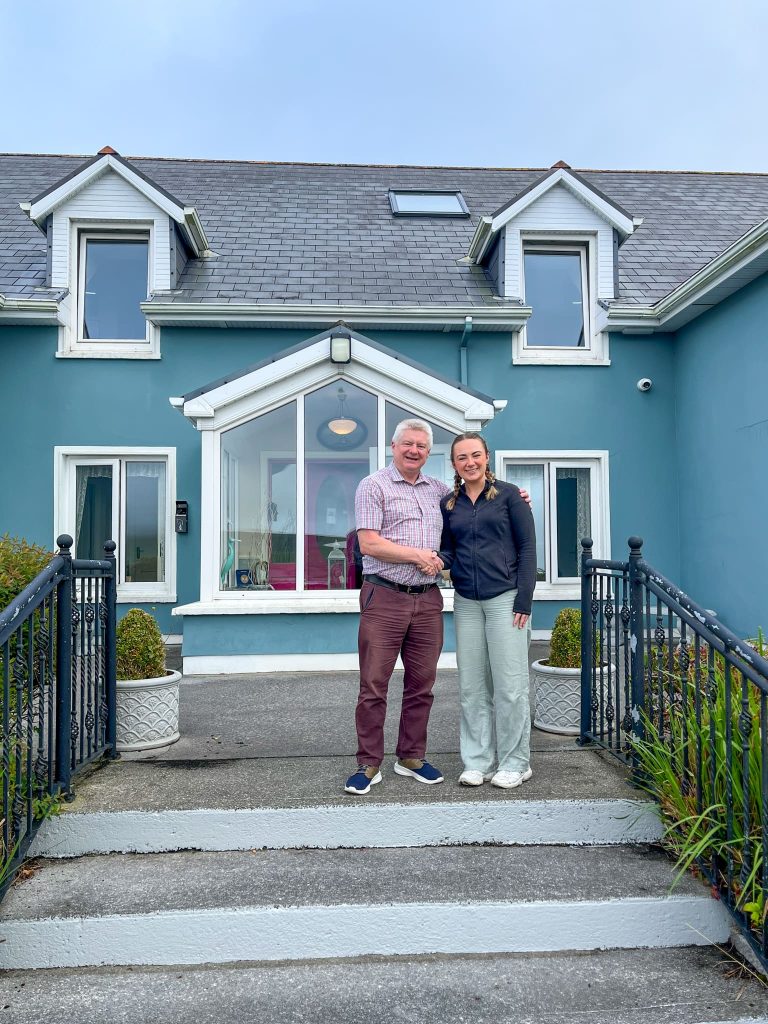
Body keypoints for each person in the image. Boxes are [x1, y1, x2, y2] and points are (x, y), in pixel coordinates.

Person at [344, 418, 448, 795]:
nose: (414, 450)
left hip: (428, 600)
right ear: (394, 446)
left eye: (421, 445)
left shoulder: (439, 490)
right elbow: (369, 543)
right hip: (383, 596)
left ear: (428, 451)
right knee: (373, 685)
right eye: (407, 443)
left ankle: (411, 757)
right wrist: (417, 556)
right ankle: (369, 763)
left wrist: (514, 495)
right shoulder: (373, 486)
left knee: (423, 684)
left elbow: (475, 507)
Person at [438, 432, 537, 790]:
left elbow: (527, 548)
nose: (470, 462)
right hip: (466, 602)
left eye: (475, 455)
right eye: (462, 457)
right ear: (454, 464)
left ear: (487, 457)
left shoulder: (510, 496)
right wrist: (433, 560)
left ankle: (515, 762)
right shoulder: (450, 504)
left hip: (506, 601)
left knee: (510, 687)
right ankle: (477, 762)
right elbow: (448, 551)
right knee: (472, 687)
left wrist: (524, 598)